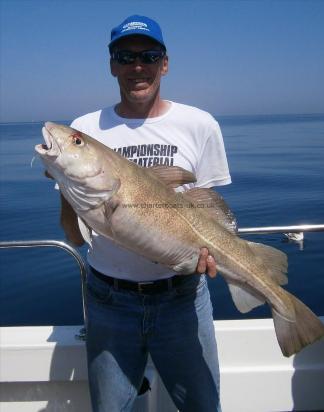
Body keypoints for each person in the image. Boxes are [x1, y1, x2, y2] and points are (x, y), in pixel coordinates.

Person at [59, 15, 231, 412]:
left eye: (148, 56)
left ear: (164, 63)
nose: (138, 66)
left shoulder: (199, 124)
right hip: (108, 301)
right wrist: (70, 189)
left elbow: (212, 210)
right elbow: (72, 235)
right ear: (112, 64)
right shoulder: (85, 128)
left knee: (204, 406)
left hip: (183, 298)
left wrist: (210, 253)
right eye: (126, 56)